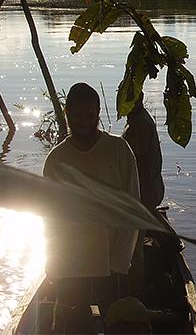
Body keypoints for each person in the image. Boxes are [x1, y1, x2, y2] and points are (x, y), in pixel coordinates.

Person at [43, 82, 140, 333]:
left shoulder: (118, 150)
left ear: (98, 113)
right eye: (78, 115)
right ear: (68, 114)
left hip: (109, 265)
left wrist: (120, 263)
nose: (85, 121)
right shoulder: (56, 160)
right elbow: (50, 220)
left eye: (90, 115)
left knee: (118, 327)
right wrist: (53, 264)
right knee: (74, 328)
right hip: (70, 266)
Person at [122, 92, 165, 212]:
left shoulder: (139, 124)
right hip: (149, 190)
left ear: (140, 97)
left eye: (130, 97)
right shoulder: (137, 118)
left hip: (146, 194)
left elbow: (137, 166)